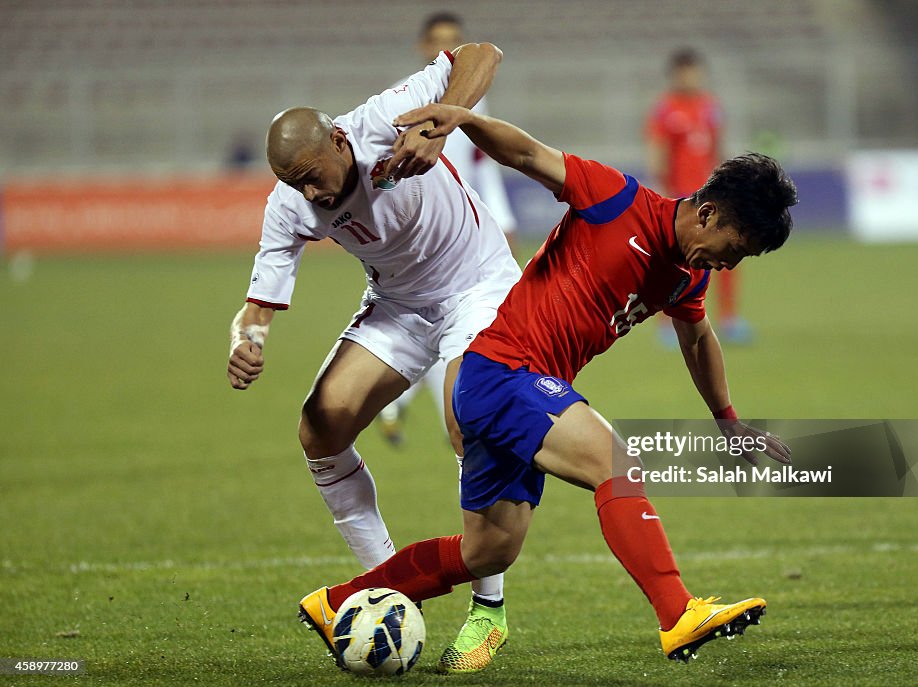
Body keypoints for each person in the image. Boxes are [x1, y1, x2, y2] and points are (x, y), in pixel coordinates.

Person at [301, 104, 797, 665]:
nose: (730, 265)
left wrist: (727, 422)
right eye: (735, 248)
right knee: (617, 464)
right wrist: (460, 117)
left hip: (516, 388)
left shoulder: (687, 271)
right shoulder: (618, 200)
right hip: (503, 371)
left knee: (488, 550)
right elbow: (529, 154)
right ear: (707, 214)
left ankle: (336, 602)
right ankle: (678, 613)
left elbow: (699, 339)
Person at [225, 43, 519, 673]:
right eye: (293, 182)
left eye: (314, 172)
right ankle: (383, 586)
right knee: (321, 427)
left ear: (338, 139)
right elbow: (259, 304)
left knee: (470, 420)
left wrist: (439, 121)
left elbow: (481, 53)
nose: (310, 189)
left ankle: (488, 612)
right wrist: (246, 342)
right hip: (400, 304)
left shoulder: (382, 119)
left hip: (477, 285)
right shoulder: (293, 205)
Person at [378, 11, 519, 449]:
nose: (448, 48)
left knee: (449, 328)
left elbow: (483, 170)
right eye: (439, 41)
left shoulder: (473, 101)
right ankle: (457, 429)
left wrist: (503, 220)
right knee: (454, 328)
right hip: (426, 234)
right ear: (426, 48)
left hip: (469, 231)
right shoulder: (405, 101)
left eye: (455, 40)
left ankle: (401, 406)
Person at [647, 48, 752, 344]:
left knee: (731, 250)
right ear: (675, 75)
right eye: (685, 72)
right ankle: (667, 323)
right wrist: (662, 190)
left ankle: (730, 318)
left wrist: (729, 184)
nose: (690, 78)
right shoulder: (664, 109)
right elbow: (658, 151)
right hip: (682, 198)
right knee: (675, 263)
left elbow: (719, 148)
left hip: (713, 195)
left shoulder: (710, 106)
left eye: (694, 71)